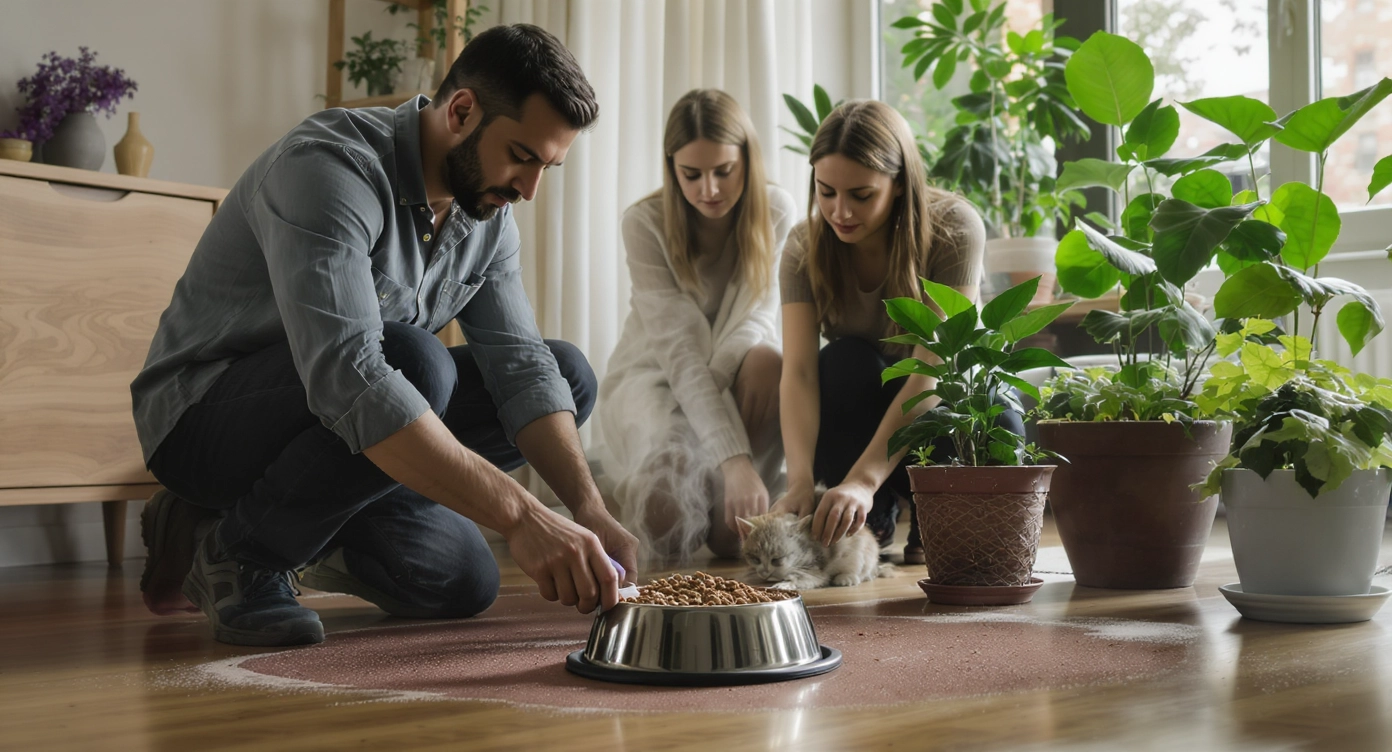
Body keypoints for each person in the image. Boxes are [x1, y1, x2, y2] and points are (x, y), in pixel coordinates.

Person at [131, 23, 638, 648]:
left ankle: (279, 521)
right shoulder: (328, 166)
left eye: (548, 167)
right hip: (203, 419)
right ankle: (242, 550)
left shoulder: (488, 212)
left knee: (468, 570)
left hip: (340, 433)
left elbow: (523, 368)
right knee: (417, 361)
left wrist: (586, 507)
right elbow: (349, 372)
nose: (528, 190)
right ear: (461, 111)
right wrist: (524, 516)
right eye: (523, 156)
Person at [772, 99, 1018, 563]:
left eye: (861, 195)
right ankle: (875, 518)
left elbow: (935, 368)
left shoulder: (953, 228)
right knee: (842, 361)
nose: (840, 211)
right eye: (826, 192)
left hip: (945, 414)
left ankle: (932, 520)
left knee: (987, 408)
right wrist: (800, 483)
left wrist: (863, 480)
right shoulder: (804, 246)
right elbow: (800, 374)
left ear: (901, 182)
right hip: (867, 428)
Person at [596, 89, 794, 564]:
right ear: (671, 168)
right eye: (692, 174)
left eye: (724, 171)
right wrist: (733, 459)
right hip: (656, 373)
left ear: (747, 160)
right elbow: (681, 351)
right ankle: (615, 488)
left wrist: (736, 461)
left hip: (734, 373)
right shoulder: (643, 223)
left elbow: (753, 323)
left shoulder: (776, 210)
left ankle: (732, 491)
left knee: (768, 360)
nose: (710, 189)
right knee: (667, 520)